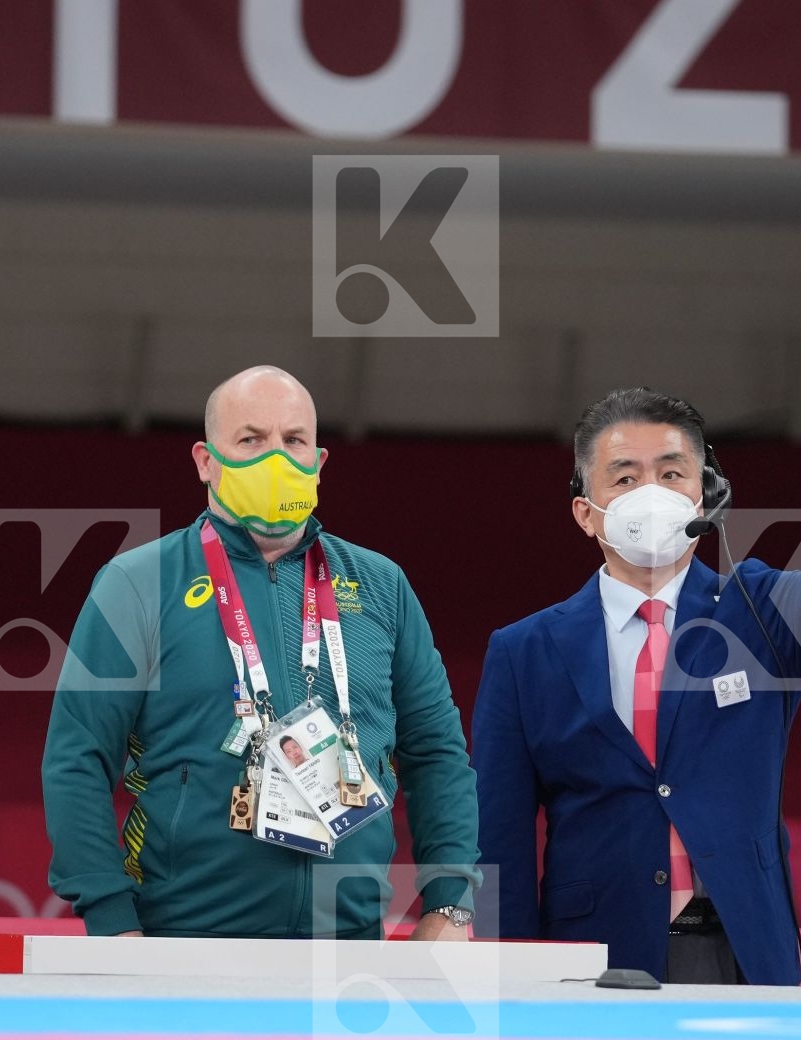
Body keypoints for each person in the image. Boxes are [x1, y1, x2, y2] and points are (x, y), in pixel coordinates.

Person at [473, 335, 801, 983]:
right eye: (625, 477)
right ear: (585, 513)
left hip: (743, 954)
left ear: (704, 497)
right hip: (595, 960)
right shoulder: (524, 653)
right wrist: (507, 983)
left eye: (672, 473)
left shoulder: (761, 611)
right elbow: (500, 842)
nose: (649, 491)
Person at [43, 365, 479, 941]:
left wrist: (451, 903)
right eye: (251, 440)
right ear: (205, 461)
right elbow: (76, 759)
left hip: (346, 942)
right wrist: (110, 915)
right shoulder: (137, 582)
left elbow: (437, 755)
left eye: (293, 440)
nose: (275, 457)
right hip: (182, 938)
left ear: (318, 463)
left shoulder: (380, 585)